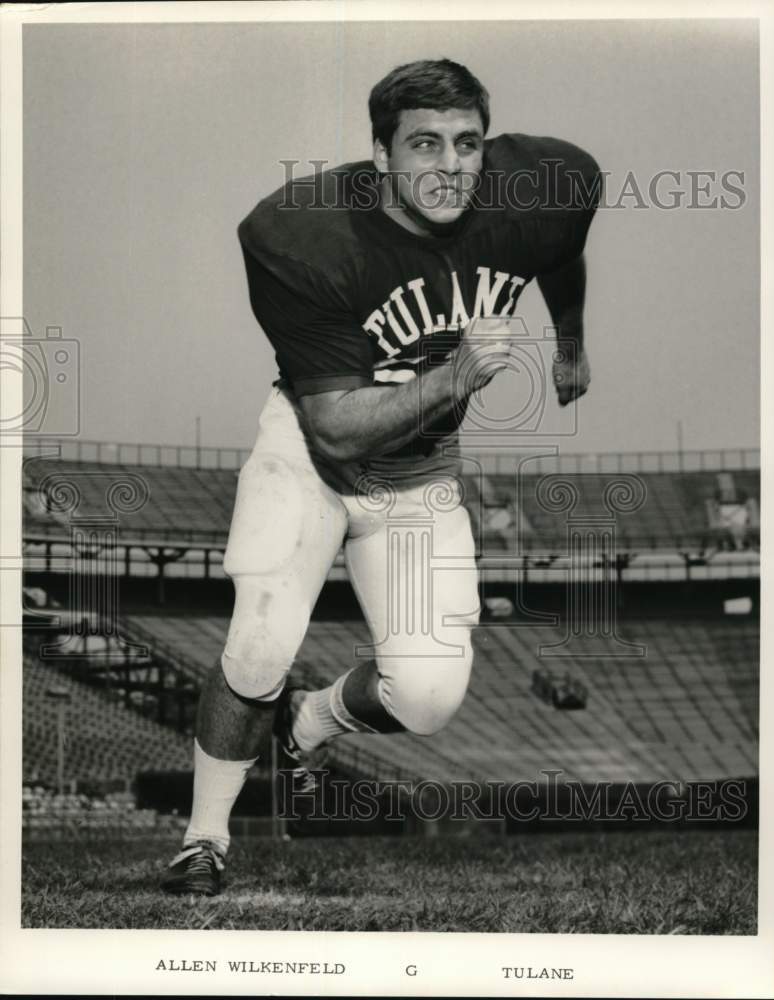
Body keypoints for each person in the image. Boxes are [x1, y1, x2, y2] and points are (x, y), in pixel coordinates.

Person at [162, 58, 600, 895]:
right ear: (381, 154)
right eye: (423, 145)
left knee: (428, 697)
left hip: (419, 470)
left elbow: (561, 247)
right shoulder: (306, 234)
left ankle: (310, 718)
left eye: (466, 144)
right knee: (258, 646)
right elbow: (332, 423)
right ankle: (203, 839)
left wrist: (571, 342)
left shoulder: (542, 185)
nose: (448, 167)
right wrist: (453, 378)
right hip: (312, 455)